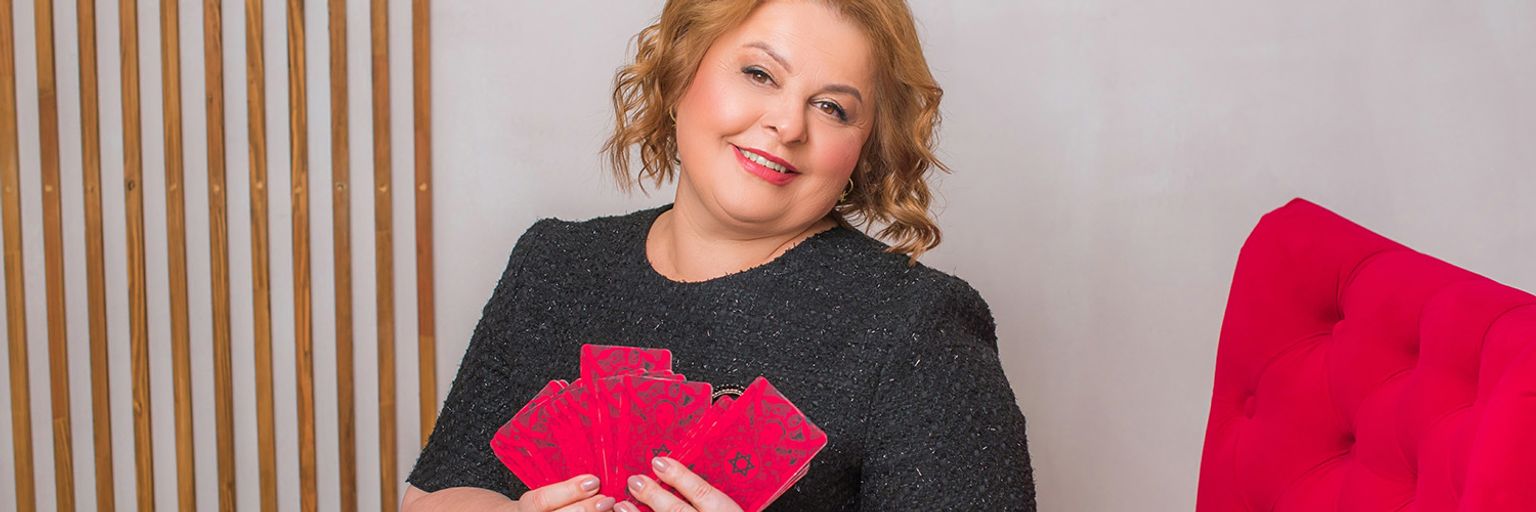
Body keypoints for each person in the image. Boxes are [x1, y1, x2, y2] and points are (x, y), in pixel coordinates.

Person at [401, 0, 1037, 510]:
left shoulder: (918, 325)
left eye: (832, 107)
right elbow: (433, 496)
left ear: (864, 147)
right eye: (760, 74)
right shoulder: (554, 264)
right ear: (682, 70)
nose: (789, 125)